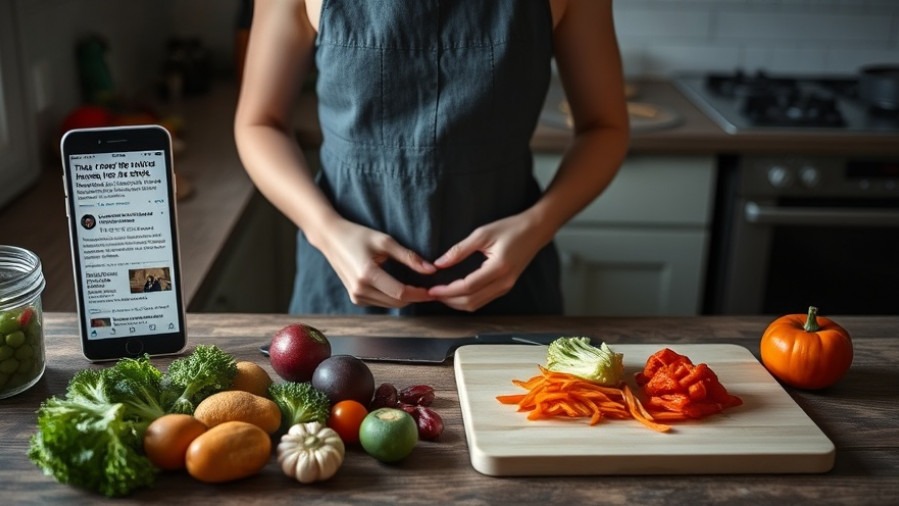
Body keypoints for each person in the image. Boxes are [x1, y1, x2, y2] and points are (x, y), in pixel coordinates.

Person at [234, 0, 629, 315]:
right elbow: (260, 123)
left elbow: (603, 127)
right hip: (341, 290)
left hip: (511, 295)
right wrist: (325, 229)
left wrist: (538, 225)